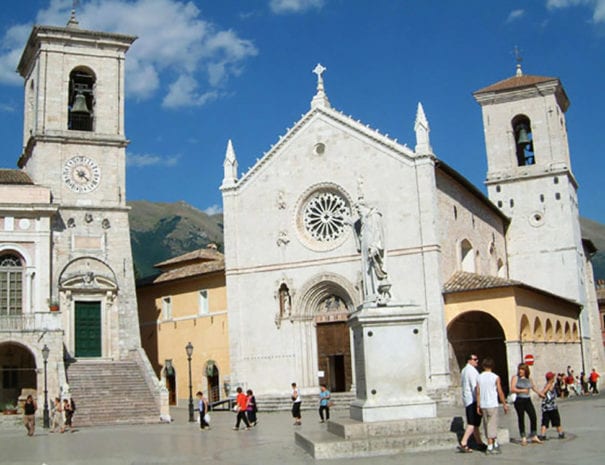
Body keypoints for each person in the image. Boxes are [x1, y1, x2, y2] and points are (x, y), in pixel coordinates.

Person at [353, 200, 391, 305]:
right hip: (366, 251)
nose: (358, 212)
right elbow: (361, 236)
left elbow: (378, 233)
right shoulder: (365, 220)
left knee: (374, 270)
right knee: (367, 271)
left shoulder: (374, 217)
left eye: (359, 209)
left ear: (366, 207)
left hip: (373, 249)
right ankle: (371, 293)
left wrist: (375, 246)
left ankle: (378, 294)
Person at [476, 357, 508, 455]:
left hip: (483, 404)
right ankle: (490, 446)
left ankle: (495, 443)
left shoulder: (479, 377)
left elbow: (478, 392)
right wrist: (504, 403)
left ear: (483, 366)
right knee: (492, 424)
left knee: (487, 424)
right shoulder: (495, 377)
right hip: (492, 403)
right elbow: (500, 392)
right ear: (492, 366)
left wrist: (478, 405)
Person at [510, 363, 543, 445]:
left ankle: (534, 435)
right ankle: (523, 437)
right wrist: (522, 391)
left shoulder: (529, 378)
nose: (520, 371)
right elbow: (512, 389)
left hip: (527, 399)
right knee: (521, 418)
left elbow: (533, 387)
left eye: (522, 369)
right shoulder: (515, 378)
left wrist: (540, 393)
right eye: (519, 369)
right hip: (519, 400)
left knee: (533, 416)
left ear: (526, 370)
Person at [458, 353, 485, 453]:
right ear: (469, 360)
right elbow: (475, 387)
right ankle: (464, 443)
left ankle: (479, 443)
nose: (477, 361)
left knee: (476, 424)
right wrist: (479, 402)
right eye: (475, 359)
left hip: (468, 399)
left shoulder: (465, 370)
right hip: (473, 400)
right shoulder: (472, 371)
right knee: (472, 423)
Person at [538, 372, 565, 440]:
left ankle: (543, 435)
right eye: (553, 377)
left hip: (546, 407)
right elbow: (542, 393)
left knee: (545, 421)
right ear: (551, 378)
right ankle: (560, 433)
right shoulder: (549, 384)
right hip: (551, 407)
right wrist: (543, 395)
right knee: (556, 420)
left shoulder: (549, 384)